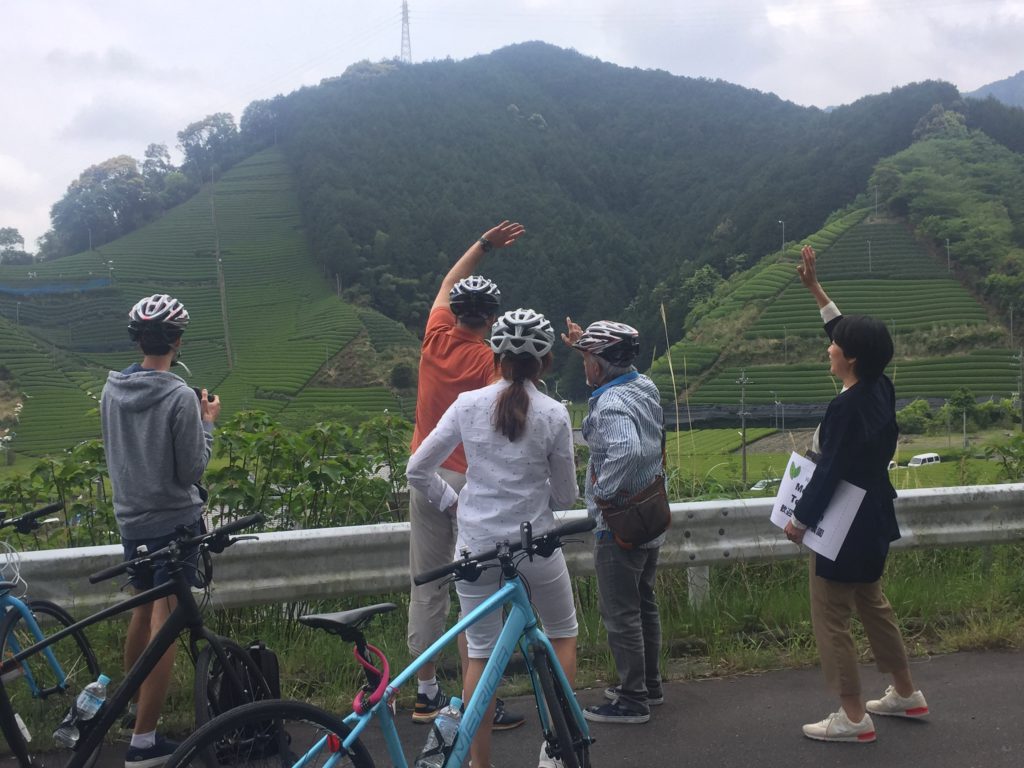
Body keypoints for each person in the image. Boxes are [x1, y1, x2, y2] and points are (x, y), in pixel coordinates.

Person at [407, 308, 579, 768]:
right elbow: (563, 497)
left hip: (476, 548)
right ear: (544, 363)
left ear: (496, 357)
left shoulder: (467, 405)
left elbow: (417, 470)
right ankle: (555, 752)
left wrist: (453, 502)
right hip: (535, 546)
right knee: (562, 634)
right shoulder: (555, 414)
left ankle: (478, 763)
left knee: (479, 658)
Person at [785, 245, 929, 743]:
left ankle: (851, 717)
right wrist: (815, 290)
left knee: (831, 618)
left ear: (851, 359)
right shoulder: (880, 386)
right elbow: (844, 332)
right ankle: (906, 693)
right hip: (873, 521)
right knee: (873, 603)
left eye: (835, 346)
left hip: (842, 525)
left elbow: (830, 473)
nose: (828, 347)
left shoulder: (845, 410)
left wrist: (800, 519)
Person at [406, 221, 525, 730]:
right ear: (493, 319)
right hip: (469, 485)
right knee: (471, 584)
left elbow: (446, 280)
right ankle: (477, 697)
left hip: (425, 475)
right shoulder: (489, 365)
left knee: (426, 583)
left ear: (453, 313)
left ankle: (426, 692)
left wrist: (482, 245)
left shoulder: (434, 338)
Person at [100, 294, 220, 768]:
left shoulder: (112, 389)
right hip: (173, 522)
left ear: (137, 339)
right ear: (178, 340)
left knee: (142, 607)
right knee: (165, 625)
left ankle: (135, 707)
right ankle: (143, 744)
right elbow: (191, 470)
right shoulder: (176, 396)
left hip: (132, 519)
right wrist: (207, 423)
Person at [562, 319, 666, 724]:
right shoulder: (643, 386)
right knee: (644, 603)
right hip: (649, 512)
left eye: (588, 357)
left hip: (618, 523)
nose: (585, 363)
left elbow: (626, 450)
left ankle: (632, 698)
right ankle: (650, 684)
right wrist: (581, 346)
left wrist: (604, 494)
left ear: (600, 363)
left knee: (620, 613)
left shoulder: (608, 405)